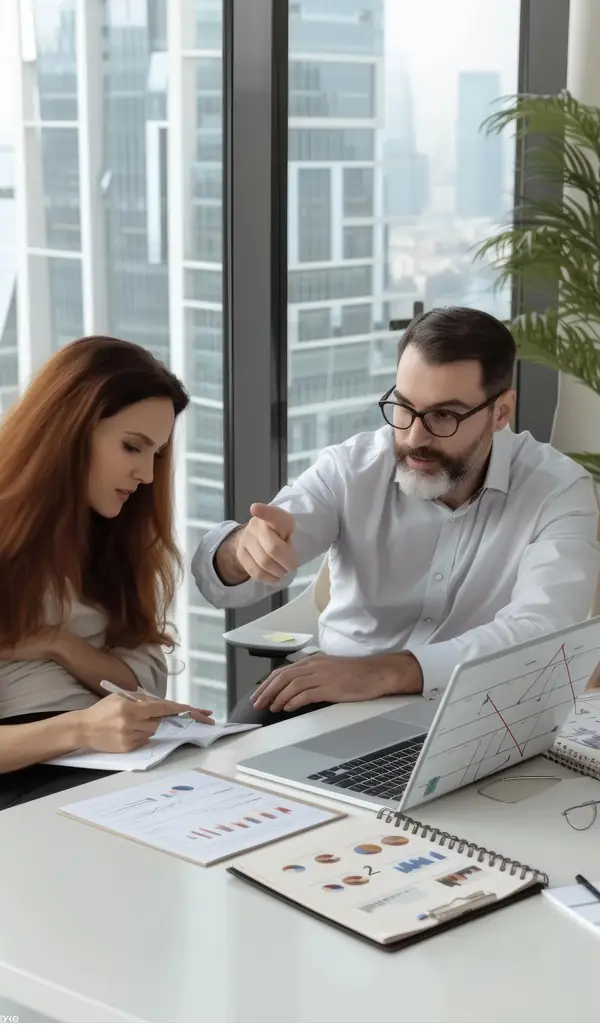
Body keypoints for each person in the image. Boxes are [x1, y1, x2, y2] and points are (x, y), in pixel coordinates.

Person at [193, 306, 600, 726]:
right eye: (404, 407)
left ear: (501, 412)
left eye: (444, 415)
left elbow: (544, 633)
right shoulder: (353, 467)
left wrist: (391, 671)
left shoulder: (558, 488)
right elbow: (228, 576)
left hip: (477, 710)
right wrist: (243, 550)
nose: (413, 437)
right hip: (336, 698)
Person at [0, 336, 213, 810]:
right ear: (69, 429)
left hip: (113, 755)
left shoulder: (119, 541)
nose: (147, 476)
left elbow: (144, 679)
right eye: (132, 447)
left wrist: (59, 644)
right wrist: (81, 727)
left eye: (155, 454)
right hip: (32, 770)